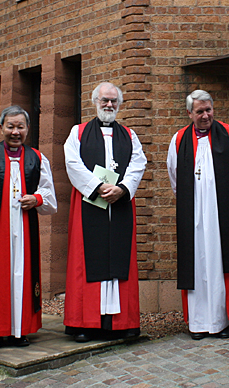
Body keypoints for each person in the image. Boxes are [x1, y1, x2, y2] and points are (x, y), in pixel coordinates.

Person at [0, 105, 57, 349]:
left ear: (28, 129)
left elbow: (49, 198)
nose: (15, 132)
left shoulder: (37, 158)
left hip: (26, 229)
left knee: (23, 276)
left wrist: (36, 199)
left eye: (20, 127)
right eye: (10, 126)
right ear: (1, 128)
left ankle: (21, 330)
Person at [64, 82, 147, 342]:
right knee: (86, 261)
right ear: (94, 102)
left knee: (121, 259)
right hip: (91, 204)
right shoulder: (77, 133)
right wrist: (98, 187)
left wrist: (122, 188)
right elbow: (72, 162)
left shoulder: (129, 135)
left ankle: (124, 322)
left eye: (113, 101)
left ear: (119, 105)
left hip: (120, 205)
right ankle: (85, 323)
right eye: (104, 100)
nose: (109, 105)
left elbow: (138, 162)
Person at [167, 90, 229, 340]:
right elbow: (175, 177)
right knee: (196, 264)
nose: (205, 115)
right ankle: (197, 324)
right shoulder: (179, 139)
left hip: (220, 213)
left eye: (208, 109)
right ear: (189, 113)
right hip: (193, 214)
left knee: (219, 262)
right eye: (199, 111)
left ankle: (221, 322)